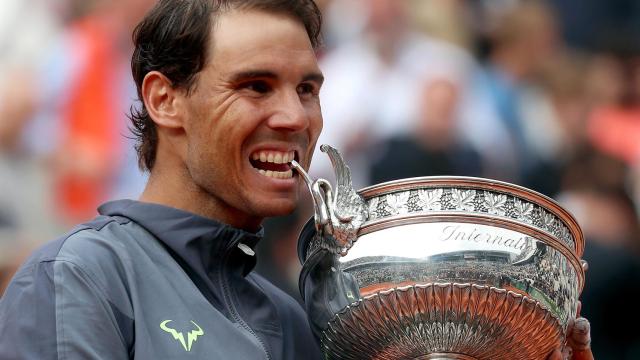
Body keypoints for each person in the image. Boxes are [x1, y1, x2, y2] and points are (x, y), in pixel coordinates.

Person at [0, 1, 593, 359]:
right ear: (165, 100)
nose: (295, 117)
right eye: (255, 86)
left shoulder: (294, 318)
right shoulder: (79, 279)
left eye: (307, 89)